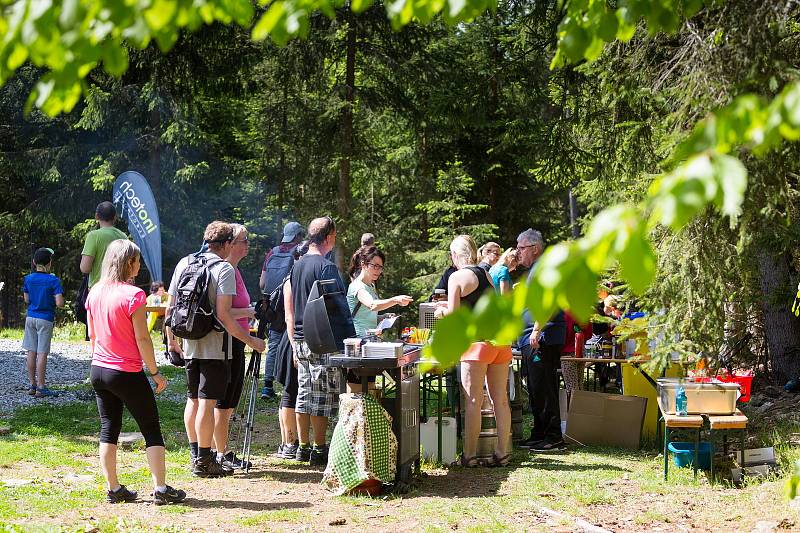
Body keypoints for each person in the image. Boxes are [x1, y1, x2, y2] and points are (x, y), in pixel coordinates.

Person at [85, 239, 186, 505]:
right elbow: (143, 339)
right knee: (151, 429)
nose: (140, 266)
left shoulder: (94, 291)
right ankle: (161, 490)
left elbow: (93, 335)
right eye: (138, 261)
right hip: (125, 371)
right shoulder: (134, 296)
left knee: (109, 429)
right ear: (128, 263)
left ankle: (113, 488)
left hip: (99, 369)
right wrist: (154, 373)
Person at [165, 221, 266, 477]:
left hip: (189, 342)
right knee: (208, 403)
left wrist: (171, 341)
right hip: (214, 345)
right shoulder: (223, 269)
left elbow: (170, 307)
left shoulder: (185, 262)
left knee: (193, 399)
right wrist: (251, 341)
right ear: (228, 244)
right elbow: (224, 316)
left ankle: (195, 453)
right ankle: (204, 460)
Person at [434, 235, 512, 467]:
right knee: (501, 400)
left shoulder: (457, 277)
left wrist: (441, 312)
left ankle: (469, 456)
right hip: (499, 343)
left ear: (456, 255)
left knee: (473, 401)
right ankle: (502, 452)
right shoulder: (485, 273)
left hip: (476, 346)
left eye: (451, 255)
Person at [284, 216, 344, 465]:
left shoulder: (297, 266)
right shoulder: (325, 266)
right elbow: (337, 307)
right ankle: (319, 448)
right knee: (321, 396)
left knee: (304, 392)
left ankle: (303, 446)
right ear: (329, 236)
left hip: (299, 337)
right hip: (321, 338)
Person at [516, 229, 567, 452]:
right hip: (531, 337)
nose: (517, 252)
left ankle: (554, 436)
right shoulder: (534, 270)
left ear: (535, 249)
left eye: (521, 248)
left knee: (545, 387)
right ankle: (539, 433)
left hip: (542, 337)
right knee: (535, 388)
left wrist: (536, 329)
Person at [213, 223, 256, 469]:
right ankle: (221, 452)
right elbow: (224, 311)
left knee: (230, 399)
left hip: (237, 337)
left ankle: (222, 451)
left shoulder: (235, 270)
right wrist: (248, 311)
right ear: (232, 244)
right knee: (224, 399)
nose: (247, 244)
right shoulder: (226, 269)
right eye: (244, 240)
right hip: (229, 338)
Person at [259, 221, 305, 400]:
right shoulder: (300, 252)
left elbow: (262, 284)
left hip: (272, 307)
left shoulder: (272, 252)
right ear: (299, 236)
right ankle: (291, 385)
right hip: (292, 305)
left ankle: (267, 386)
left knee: (274, 346)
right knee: (295, 343)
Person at [274, 241, 309, 459]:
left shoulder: (303, 279)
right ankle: (289, 443)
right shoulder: (290, 280)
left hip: (301, 340)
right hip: (291, 342)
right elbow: (289, 317)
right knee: (290, 391)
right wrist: (295, 346)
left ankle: (293, 442)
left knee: (298, 392)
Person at [22, 247, 64, 398]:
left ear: (34, 262)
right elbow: (59, 302)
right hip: (45, 319)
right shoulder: (53, 280)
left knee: (31, 352)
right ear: (50, 263)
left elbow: (26, 299)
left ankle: (32, 384)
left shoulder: (28, 279)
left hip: (30, 318)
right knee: (42, 353)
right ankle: (41, 386)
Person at [347, 245, 412, 338]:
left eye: (380, 267)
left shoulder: (371, 285)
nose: (378, 270)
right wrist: (396, 300)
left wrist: (383, 317)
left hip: (371, 338)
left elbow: (365, 316)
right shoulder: (357, 286)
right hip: (359, 340)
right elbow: (372, 305)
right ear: (363, 264)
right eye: (375, 266)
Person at [80, 201, 128, 289]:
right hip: (119, 288)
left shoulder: (93, 236)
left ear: (96, 216)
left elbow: (85, 268)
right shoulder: (123, 236)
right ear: (115, 217)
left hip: (98, 288)